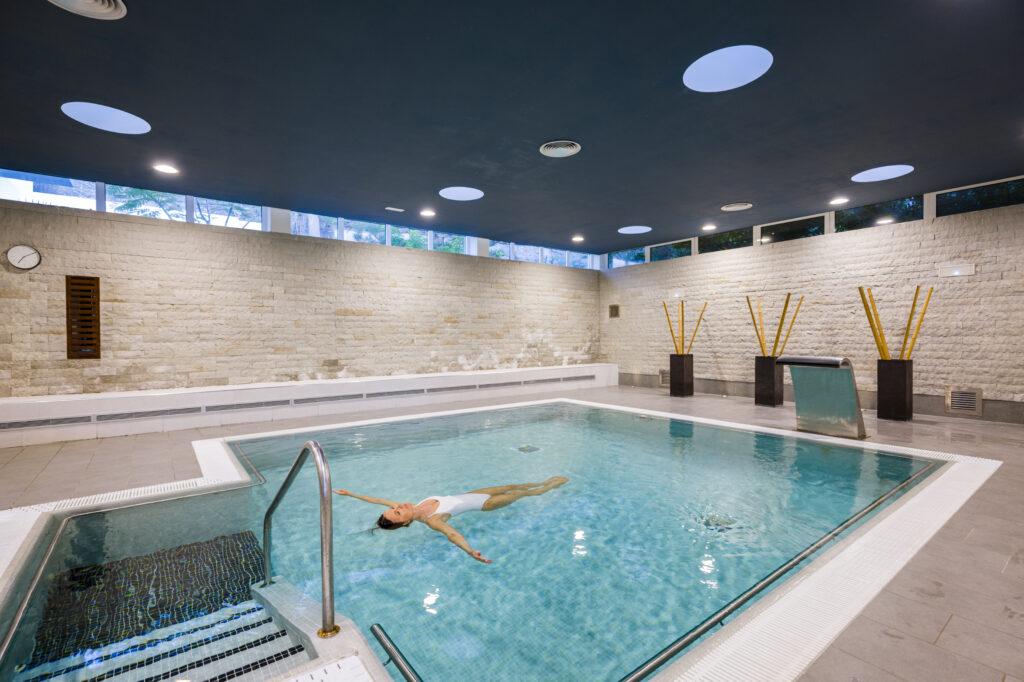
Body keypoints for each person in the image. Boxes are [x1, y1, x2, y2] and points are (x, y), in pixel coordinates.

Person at [334, 476, 569, 563]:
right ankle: (548, 487)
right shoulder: (432, 520)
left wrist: (350, 494)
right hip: (483, 504)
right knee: (520, 494)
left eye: (394, 509)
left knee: (511, 485)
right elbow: (452, 534)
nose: (398, 507)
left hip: (471, 494)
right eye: (397, 513)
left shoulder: (407, 507)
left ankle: (543, 480)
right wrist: (470, 551)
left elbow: (374, 500)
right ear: (405, 523)